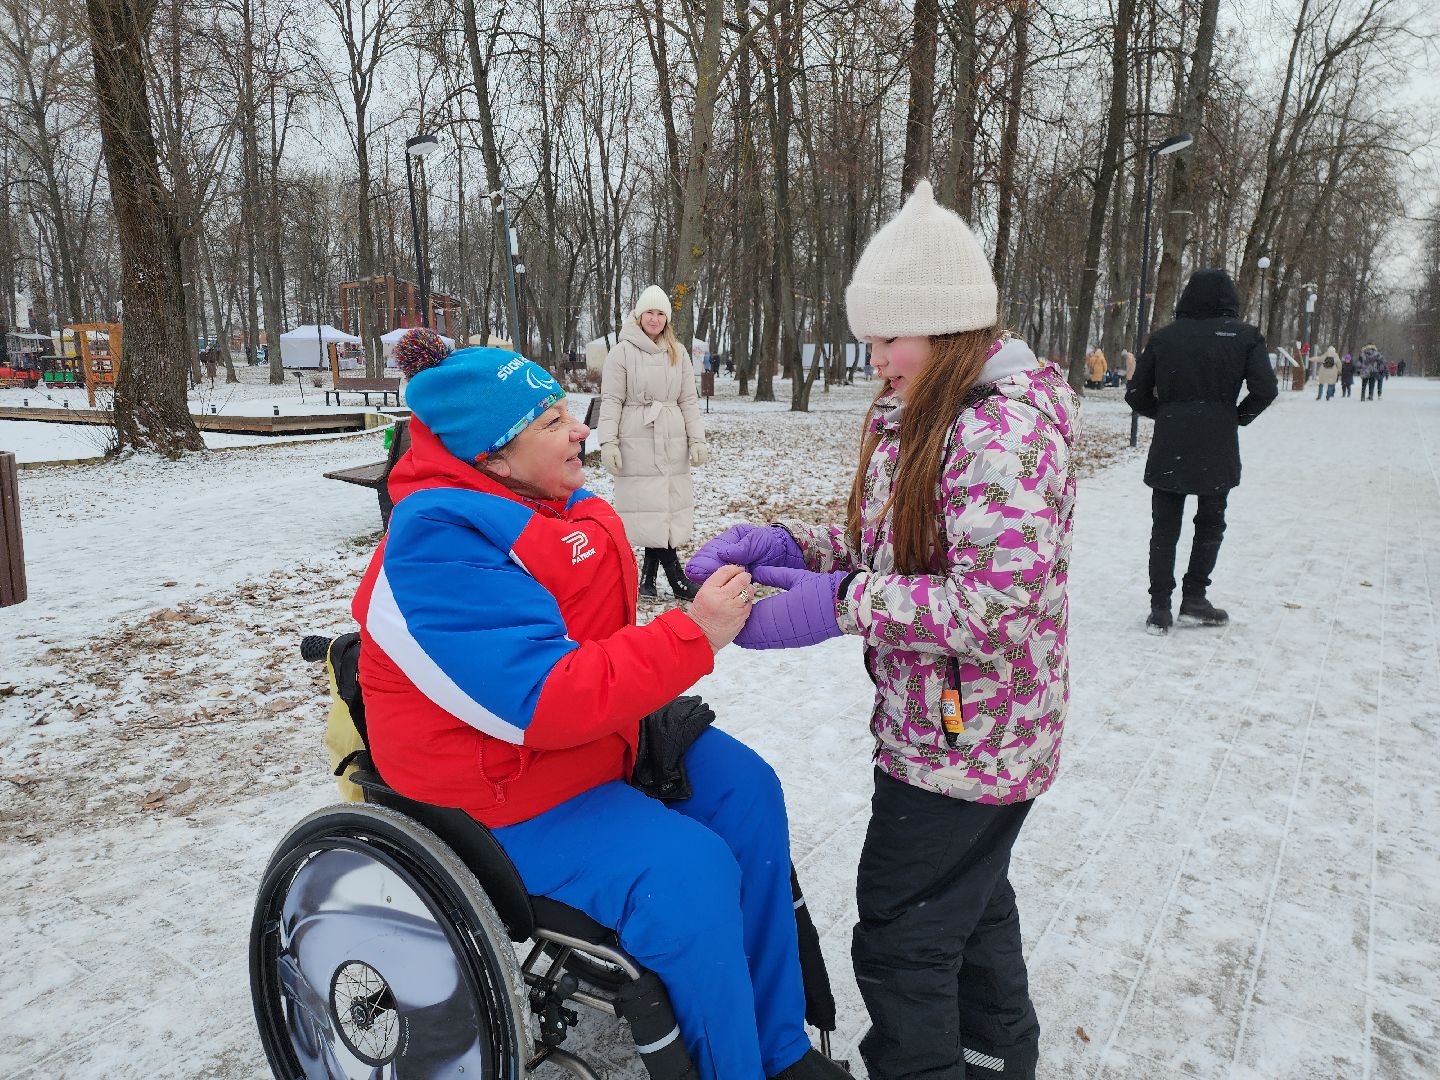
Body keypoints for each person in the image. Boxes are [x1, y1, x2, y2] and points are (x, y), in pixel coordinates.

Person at [350, 331, 844, 1080]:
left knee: (747, 791)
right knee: (688, 870)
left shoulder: (538, 499)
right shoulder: (435, 544)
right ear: (493, 456)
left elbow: (584, 642)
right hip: (496, 783)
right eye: (551, 421)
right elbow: (543, 698)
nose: (579, 427)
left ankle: (776, 1047)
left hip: (591, 740)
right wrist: (691, 636)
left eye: (563, 408)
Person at [688, 181, 1076, 1080]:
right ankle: (993, 1058)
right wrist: (793, 545)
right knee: (970, 913)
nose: (873, 362)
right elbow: (898, 546)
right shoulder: (930, 406)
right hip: (952, 728)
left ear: (947, 327)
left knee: (903, 936)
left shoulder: (999, 435)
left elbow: (992, 610)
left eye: (885, 339)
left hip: (968, 738)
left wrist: (840, 601)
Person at [1125, 268, 1277, 632]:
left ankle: (1160, 608)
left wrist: (1166, 414)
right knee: (1210, 523)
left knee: (1165, 528)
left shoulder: (1164, 338)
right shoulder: (1244, 337)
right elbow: (1266, 389)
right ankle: (1194, 597)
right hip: (1218, 443)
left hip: (1171, 442)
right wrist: (1236, 417)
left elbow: (1135, 393)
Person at [598, 285, 709, 601]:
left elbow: (688, 399)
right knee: (651, 506)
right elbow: (612, 399)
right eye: (650, 312)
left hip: (671, 439)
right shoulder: (622, 352)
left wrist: (697, 439)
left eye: (661, 313)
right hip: (638, 437)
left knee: (662, 507)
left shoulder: (678, 351)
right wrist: (609, 442)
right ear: (639, 314)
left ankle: (647, 578)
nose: (655, 318)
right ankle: (677, 579)